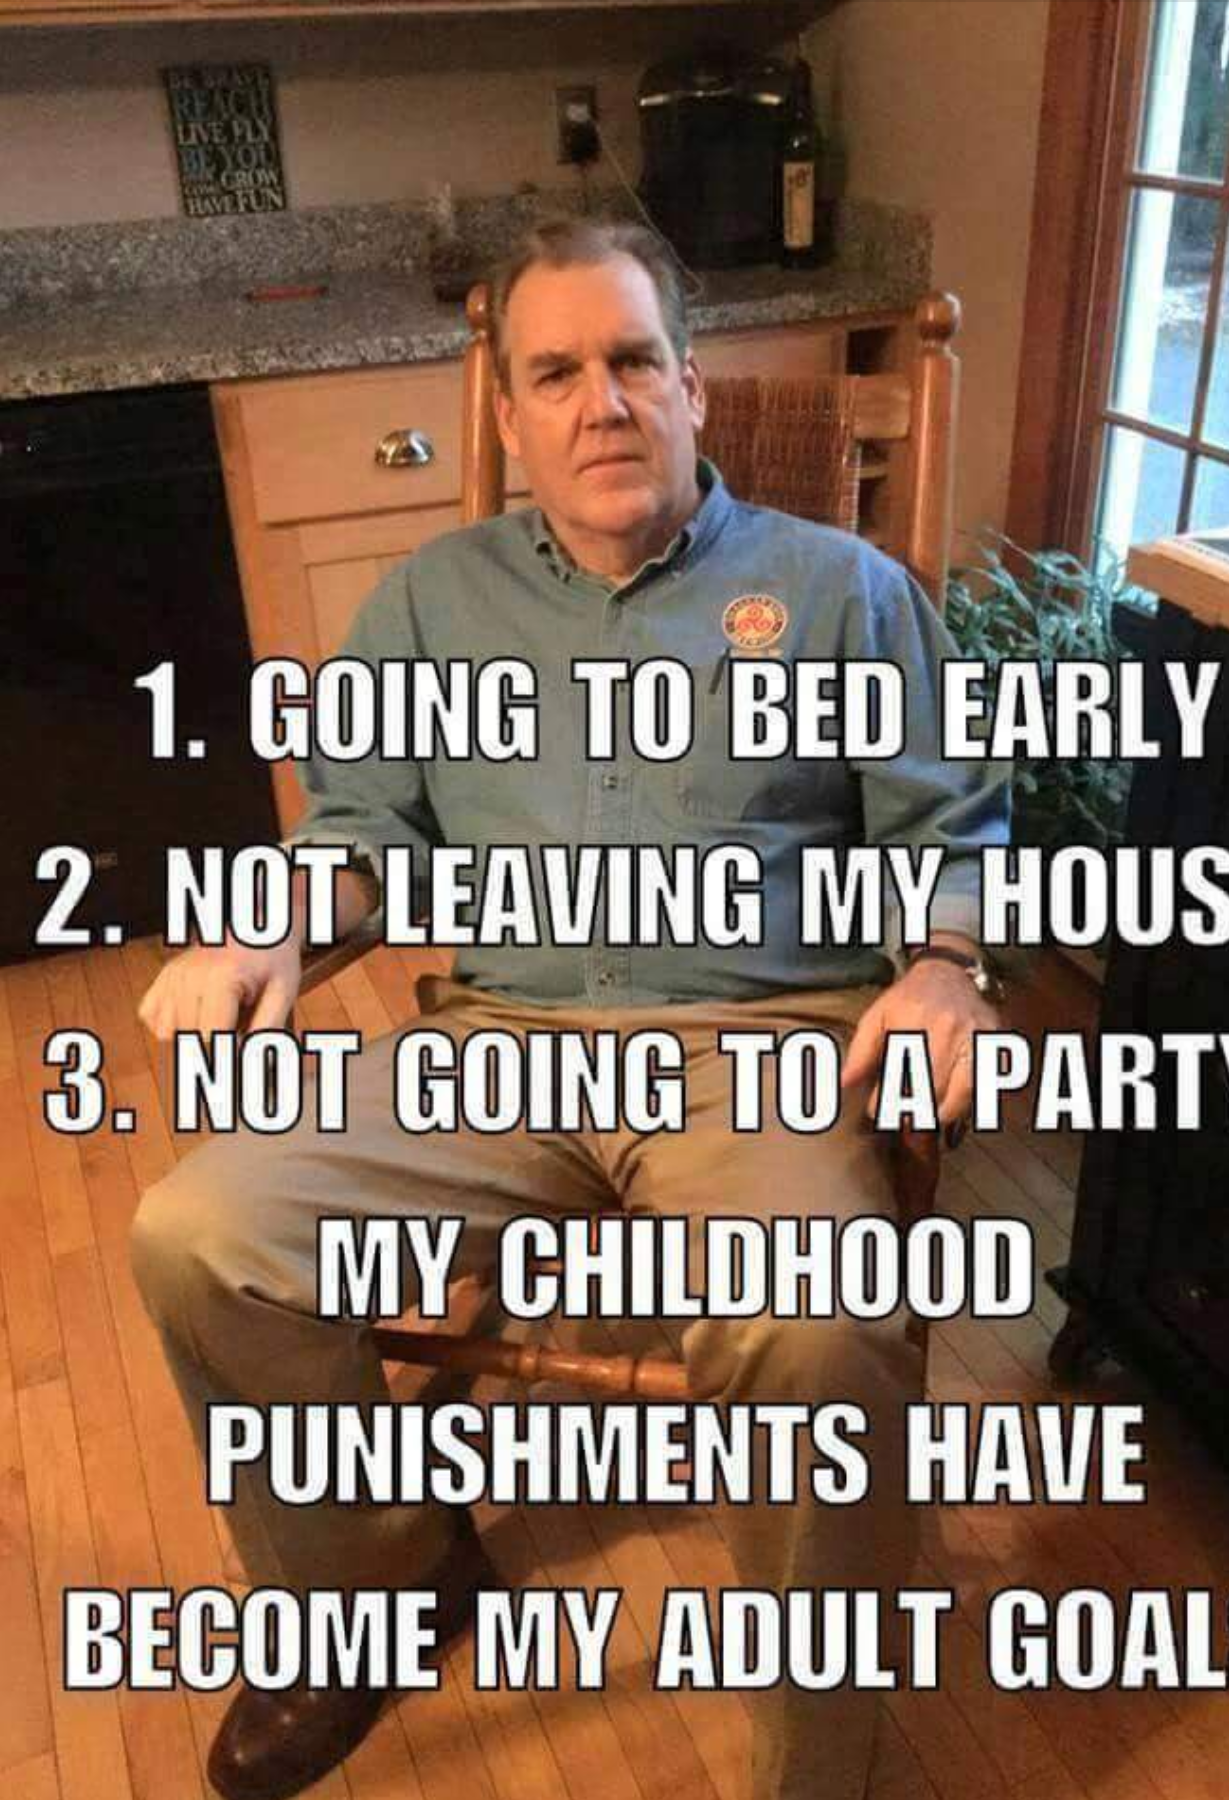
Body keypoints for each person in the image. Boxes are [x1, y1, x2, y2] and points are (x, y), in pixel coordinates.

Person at [132, 215, 1012, 1800]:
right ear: (511, 413)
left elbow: (947, 835)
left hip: (756, 1050)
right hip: (498, 1040)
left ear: (691, 386)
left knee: (820, 1332)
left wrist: (945, 968)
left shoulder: (842, 592)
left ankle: (814, 1770)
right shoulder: (430, 601)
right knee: (199, 1235)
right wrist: (267, 935)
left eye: (631, 361)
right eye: (555, 373)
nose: (599, 401)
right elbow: (361, 830)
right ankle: (375, 1581)